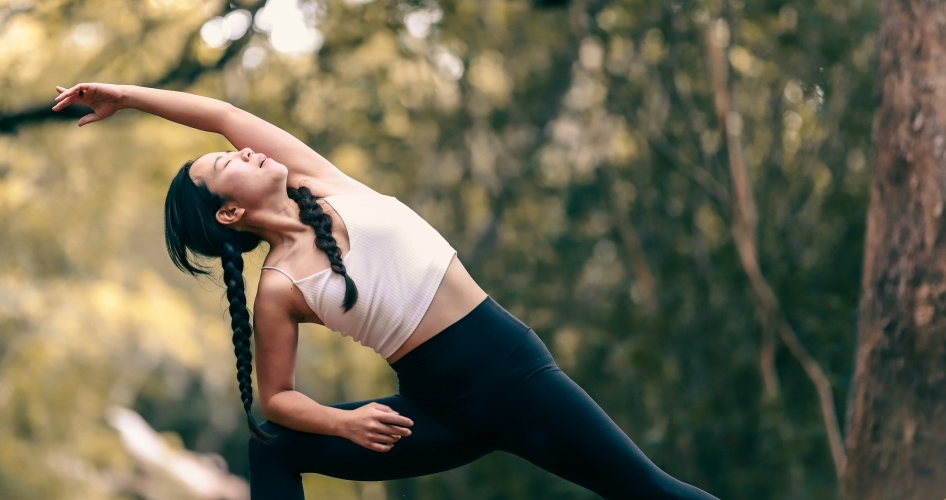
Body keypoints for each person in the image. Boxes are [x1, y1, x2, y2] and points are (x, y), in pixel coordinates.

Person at [52, 83, 720, 500]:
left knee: (652, 493)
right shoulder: (280, 287)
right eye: (229, 164)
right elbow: (276, 400)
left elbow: (223, 113)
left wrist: (129, 97)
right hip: (434, 412)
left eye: (233, 150)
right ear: (229, 214)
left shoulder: (321, 182)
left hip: (513, 375)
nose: (245, 150)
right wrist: (343, 422)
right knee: (270, 446)